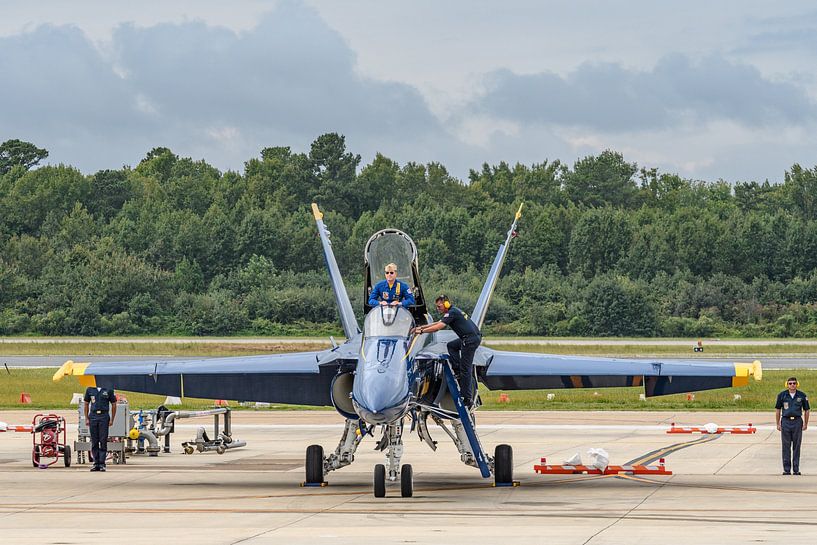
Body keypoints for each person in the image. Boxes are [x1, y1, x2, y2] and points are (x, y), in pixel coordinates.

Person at [411, 295, 481, 407]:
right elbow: (436, 323)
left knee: (466, 370)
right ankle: (457, 368)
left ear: (446, 304)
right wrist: (420, 328)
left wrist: (421, 332)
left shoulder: (451, 313)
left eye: (439, 306)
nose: (438, 309)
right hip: (469, 338)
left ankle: (467, 398)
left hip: (469, 341)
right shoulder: (452, 311)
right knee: (451, 346)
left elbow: (437, 327)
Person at [775, 377, 809, 475]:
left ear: (797, 384)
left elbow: (806, 410)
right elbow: (778, 410)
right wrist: (778, 423)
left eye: (794, 383)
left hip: (797, 422)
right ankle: (786, 469)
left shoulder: (802, 395)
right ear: (787, 384)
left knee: (797, 446)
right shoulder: (782, 395)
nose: (792, 385)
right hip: (786, 421)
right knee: (786, 446)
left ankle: (796, 469)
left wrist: (806, 423)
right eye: (790, 383)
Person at [84, 385, 118, 472]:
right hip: (93, 416)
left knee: (103, 440)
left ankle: (102, 463)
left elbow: (114, 404)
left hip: (104, 416)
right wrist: (87, 418)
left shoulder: (108, 389)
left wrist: (112, 419)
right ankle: (96, 463)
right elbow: (86, 403)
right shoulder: (90, 389)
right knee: (94, 441)